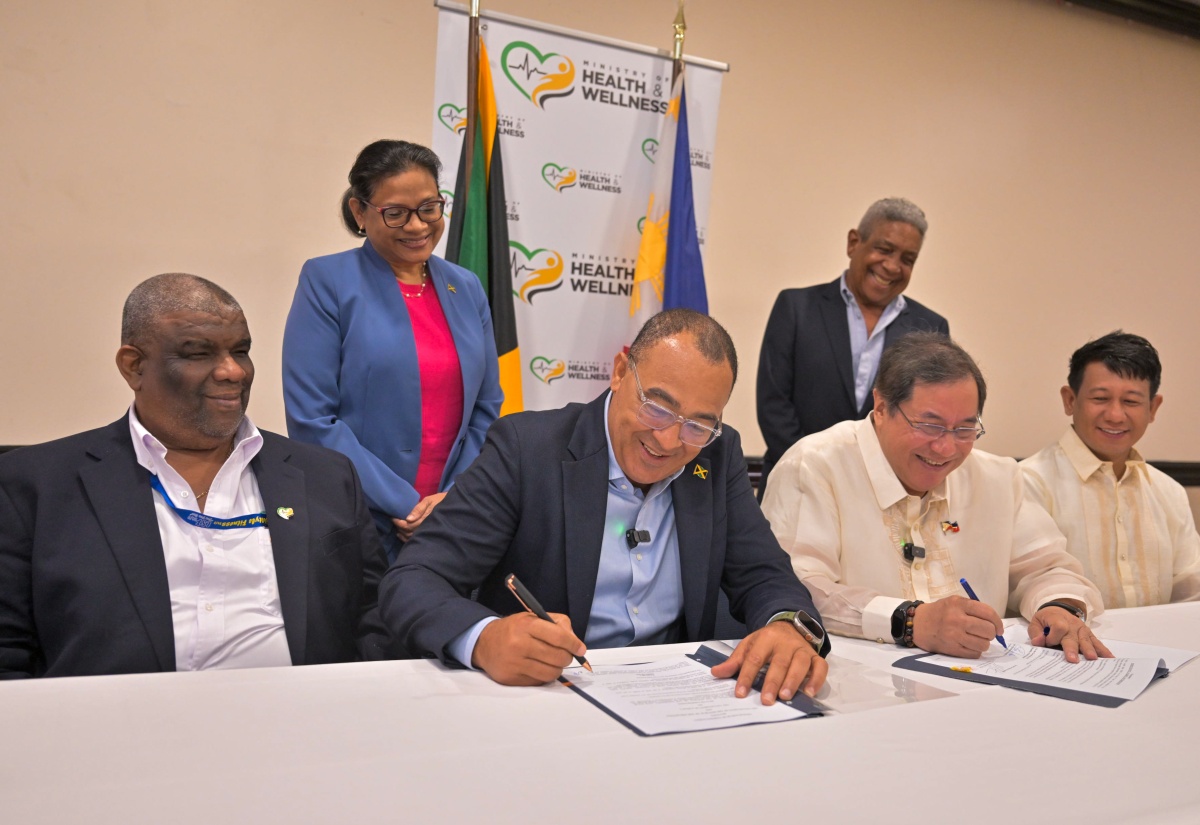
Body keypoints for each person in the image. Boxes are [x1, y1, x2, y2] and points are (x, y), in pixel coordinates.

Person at [381, 309, 829, 705]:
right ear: (619, 372)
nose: (669, 440)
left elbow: (765, 573)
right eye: (657, 407)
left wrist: (788, 625)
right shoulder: (526, 449)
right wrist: (483, 639)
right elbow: (415, 579)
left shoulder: (716, 454)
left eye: (696, 425)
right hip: (549, 700)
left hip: (677, 698)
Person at [0, 274, 390, 678]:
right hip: (114, 727)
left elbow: (373, 615)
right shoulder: (37, 485)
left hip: (298, 722)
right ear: (134, 367)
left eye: (241, 351)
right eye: (198, 354)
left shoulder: (325, 475)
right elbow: (7, 648)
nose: (233, 372)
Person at [762, 332, 1109, 662]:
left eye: (964, 429)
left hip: (981, 681)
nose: (945, 448)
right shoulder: (815, 465)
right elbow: (797, 588)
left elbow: (1047, 568)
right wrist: (910, 621)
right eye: (929, 426)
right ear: (881, 407)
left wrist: (1059, 607)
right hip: (853, 681)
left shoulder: (998, 478)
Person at [283, 139, 502, 562]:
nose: (418, 226)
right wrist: (406, 506)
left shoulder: (466, 286)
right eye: (396, 213)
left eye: (429, 208)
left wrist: (452, 500)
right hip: (358, 518)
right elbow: (313, 419)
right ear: (360, 212)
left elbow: (486, 408)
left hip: (451, 522)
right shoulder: (327, 280)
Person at [756, 197, 948, 498]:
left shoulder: (931, 329)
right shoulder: (796, 308)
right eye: (884, 249)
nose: (892, 266)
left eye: (907, 259)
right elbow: (773, 406)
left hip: (886, 497)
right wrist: (818, 474)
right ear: (853, 243)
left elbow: (930, 419)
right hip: (796, 486)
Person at [1021, 332, 1200, 607]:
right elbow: (1031, 584)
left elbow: (1192, 595)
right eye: (1101, 398)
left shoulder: (1169, 492)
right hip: (1061, 648)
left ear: (1153, 407)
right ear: (1070, 400)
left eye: (1131, 401)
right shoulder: (1028, 483)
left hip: (1163, 649)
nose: (1116, 415)